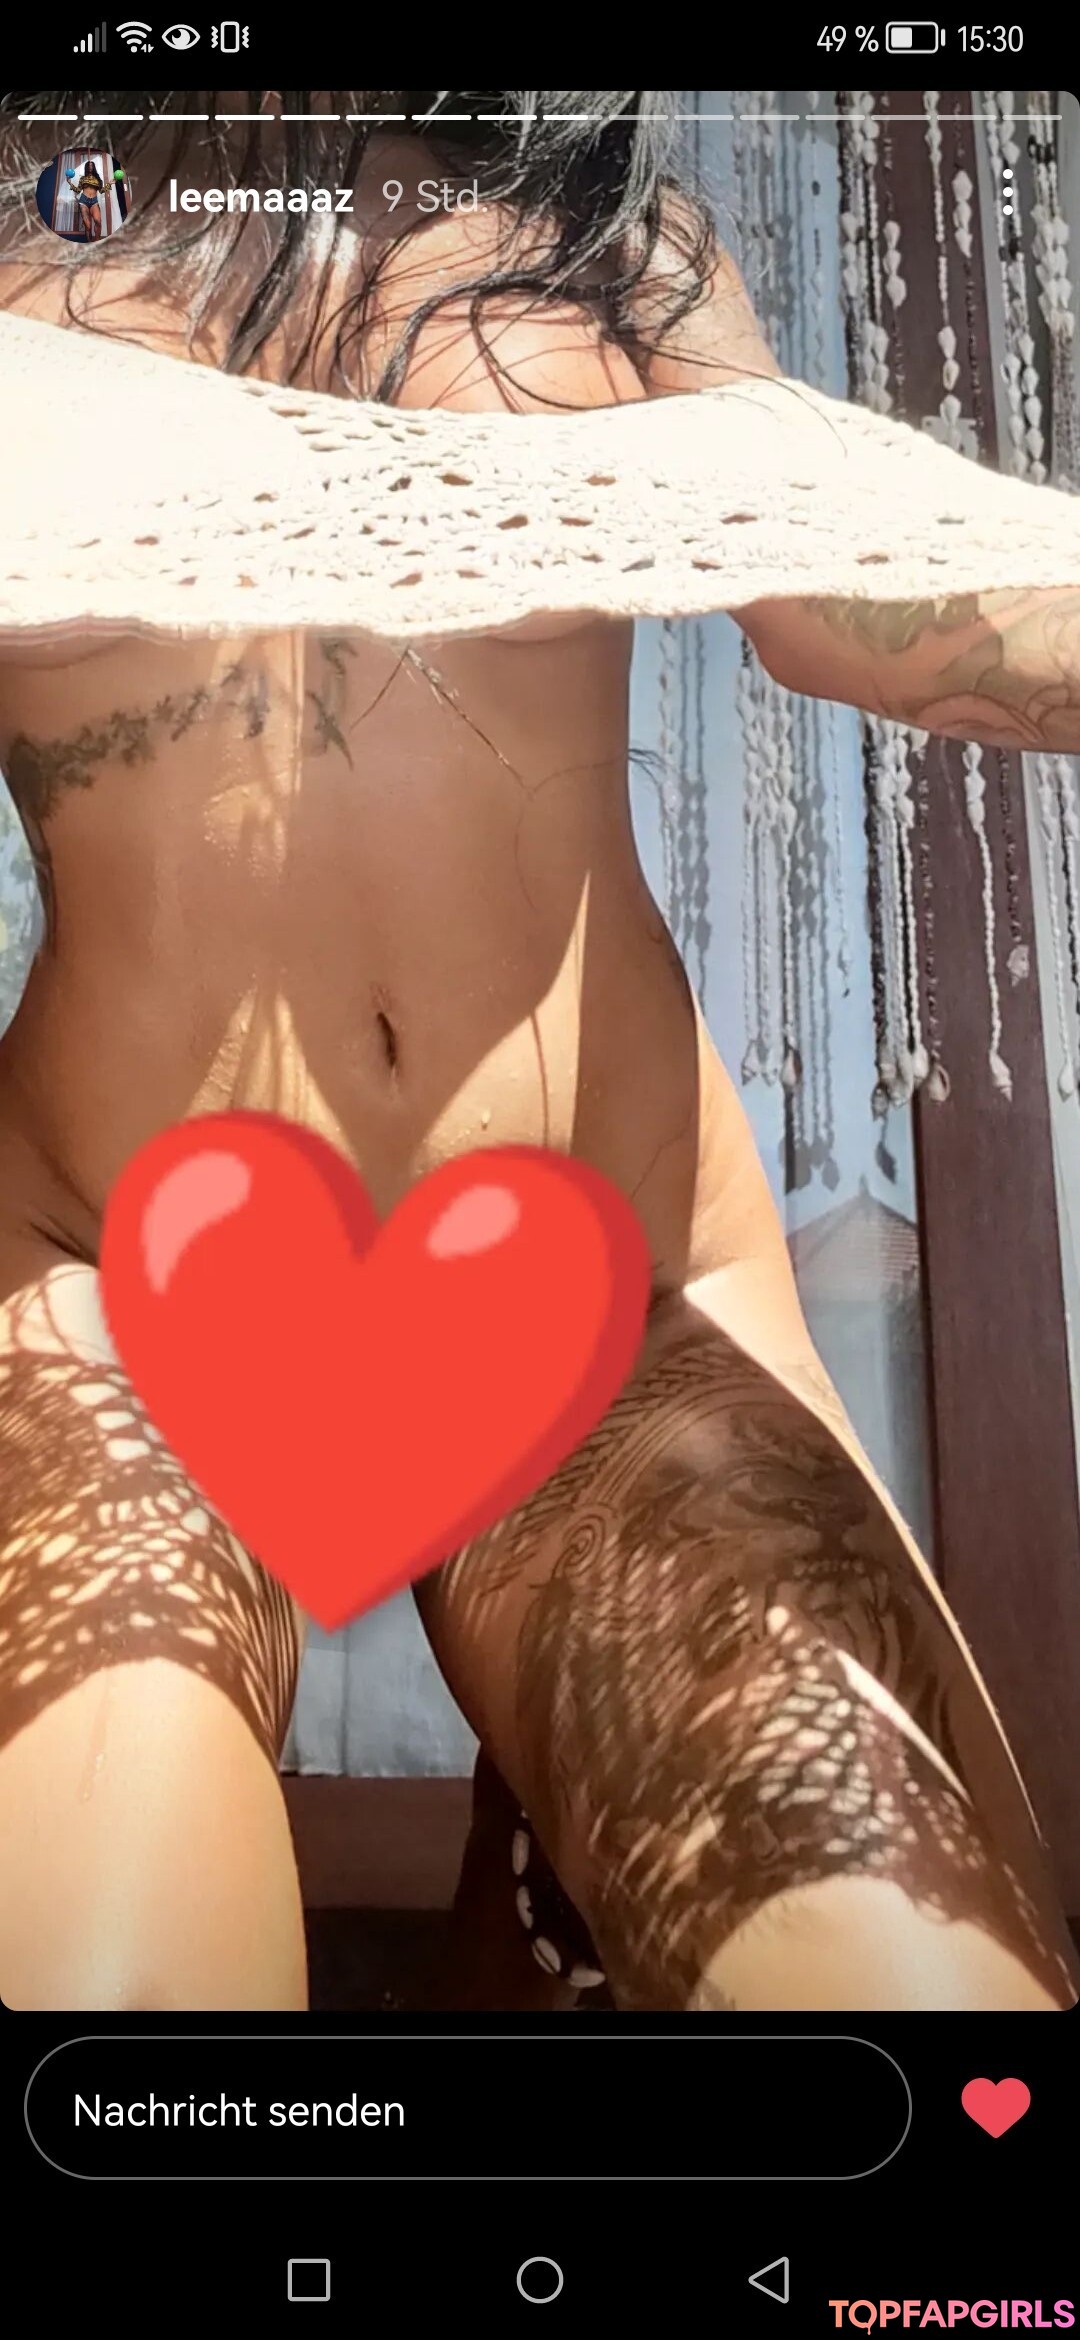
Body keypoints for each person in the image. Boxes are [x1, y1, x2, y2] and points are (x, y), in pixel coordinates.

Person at [0, 91, 1076, 2013]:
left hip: (607, 1283)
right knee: (107, 1985)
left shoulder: (606, 231)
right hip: (103, 1266)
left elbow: (856, 606)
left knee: (916, 1996)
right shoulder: (23, 209)